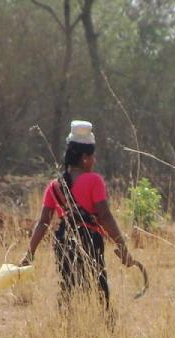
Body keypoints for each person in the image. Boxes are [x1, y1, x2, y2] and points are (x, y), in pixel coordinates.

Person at [22, 120, 133, 307]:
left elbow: (43, 223)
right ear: (84, 158)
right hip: (90, 241)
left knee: (67, 288)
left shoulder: (54, 186)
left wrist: (30, 253)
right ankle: (104, 323)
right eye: (92, 157)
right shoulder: (94, 181)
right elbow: (104, 216)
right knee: (99, 289)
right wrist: (121, 245)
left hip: (63, 241)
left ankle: (67, 327)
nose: (94, 161)